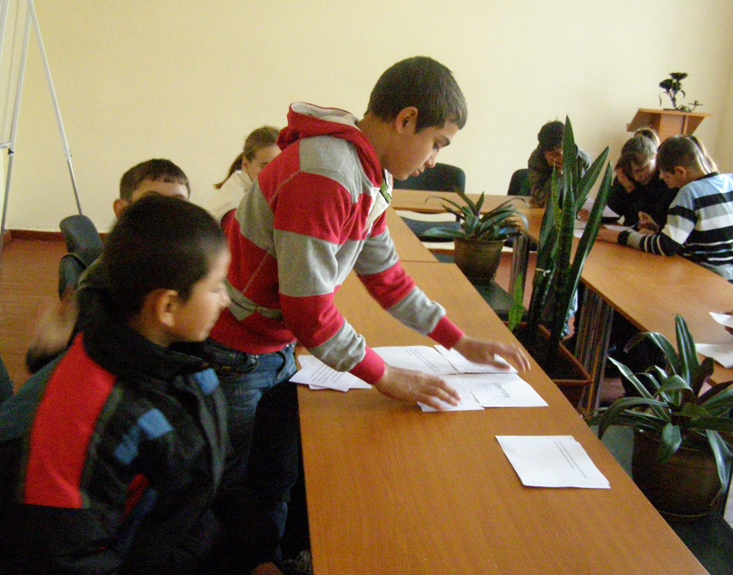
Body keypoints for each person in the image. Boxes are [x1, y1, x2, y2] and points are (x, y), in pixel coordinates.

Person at [201, 56, 530, 540]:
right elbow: (310, 313)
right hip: (237, 352)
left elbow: (385, 275)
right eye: (438, 143)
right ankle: (240, 566)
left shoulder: (371, 173)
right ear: (406, 120)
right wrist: (387, 376)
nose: (434, 160)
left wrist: (458, 341)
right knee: (230, 486)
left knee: (274, 472)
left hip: (272, 345)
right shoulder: (327, 173)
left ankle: (267, 557)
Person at [0, 196, 289, 575]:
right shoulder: (90, 417)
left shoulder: (182, 358)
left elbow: (212, 472)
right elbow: (69, 573)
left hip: (187, 554)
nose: (225, 299)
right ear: (167, 306)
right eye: (217, 286)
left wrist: (257, 554)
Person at [26, 159, 191, 373]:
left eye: (179, 203)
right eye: (151, 202)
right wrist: (47, 351)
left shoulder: (181, 264)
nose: (168, 214)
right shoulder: (105, 286)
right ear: (122, 210)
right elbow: (67, 367)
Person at [598, 135, 733, 282]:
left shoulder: (688, 193)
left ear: (680, 172)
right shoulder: (729, 181)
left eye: (664, 173)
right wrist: (658, 229)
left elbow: (666, 247)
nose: (661, 177)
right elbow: (699, 239)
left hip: (702, 275)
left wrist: (621, 237)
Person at [605, 128, 677, 230]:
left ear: (655, 158)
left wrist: (631, 191)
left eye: (641, 170)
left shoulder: (666, 180)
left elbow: (651, 223)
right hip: (627, 233)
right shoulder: (626, 175)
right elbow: (611, 214)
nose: (636, 177)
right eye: (631, 171)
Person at [208, 126, 281, 228]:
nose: (273, 173)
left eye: (279, 165)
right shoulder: (233, 208)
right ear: (246, 165)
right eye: (265, 167)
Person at [528, 120, 592, 208]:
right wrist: (558, 172)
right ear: (545, 154)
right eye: (555, 154)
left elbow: (582, 197)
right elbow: (543, 201)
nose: (562, 158)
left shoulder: (583, 159)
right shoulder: (536, 159)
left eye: (565, 151)